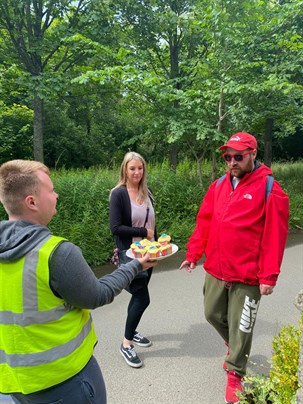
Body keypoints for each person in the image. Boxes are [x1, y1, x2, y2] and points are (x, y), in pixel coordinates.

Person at [0, 159, 155, 404]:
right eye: (50, 190)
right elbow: (98, 294)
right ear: (31, 202)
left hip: (12, 383)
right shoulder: (56, 253)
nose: (56, 194)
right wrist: (135, 265)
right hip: (63, 381)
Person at [179, 132, 289, 404]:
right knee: (211, 313)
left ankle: (235, 372)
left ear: (253, 154)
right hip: (216, 267)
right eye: (227, 157)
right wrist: (194, 253)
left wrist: (269, 275)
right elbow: (205, 221)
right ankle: (235, 347)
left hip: (249, 275)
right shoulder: (218, 185)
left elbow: (275, 235)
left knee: (243, 325)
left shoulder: (269, 188)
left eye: (238, 156)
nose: (232, 161)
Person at [109, 151, 157, 368]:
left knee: (138, 295)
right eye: (132, 168)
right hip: (130, 255)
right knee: (142, 298)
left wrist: (158, 247)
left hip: (149, 253)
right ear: (125, 170)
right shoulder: (118, 194)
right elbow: (116, 228)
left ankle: (132, 329)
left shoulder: (146, 192)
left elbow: (151, 224)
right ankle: (126, 344)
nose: (137, 172)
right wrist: (143, 232)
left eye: (140, 168)